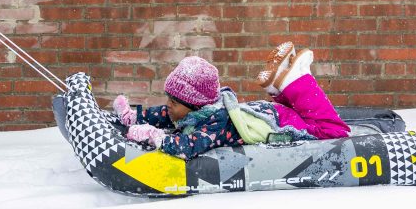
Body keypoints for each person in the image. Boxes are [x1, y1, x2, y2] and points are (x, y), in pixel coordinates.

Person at [113, 43, 349, 159]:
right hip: (265, 111)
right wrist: (134, 117)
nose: (168, 106)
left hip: (279, 122)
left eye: (173, 102)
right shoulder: (198, 109)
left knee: (332, 131)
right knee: (310, 115)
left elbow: (189, 146)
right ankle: (279, 84)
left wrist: (154, 136)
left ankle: (297, 78)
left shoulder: (216, 122)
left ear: (194, 105)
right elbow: (166, 114)